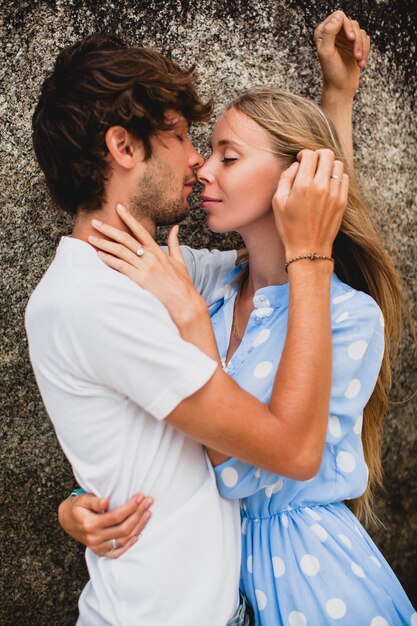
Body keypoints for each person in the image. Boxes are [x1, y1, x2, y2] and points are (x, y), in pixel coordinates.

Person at [58, 29, 415, 626]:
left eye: (228, 156)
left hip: (307, 581)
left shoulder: (351, 317)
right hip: (212, 579)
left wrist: (196, 328)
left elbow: (241, 470)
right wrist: (80, 504)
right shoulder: (208, 279)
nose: (201, 169)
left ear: (296, 180)